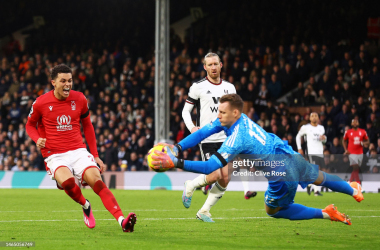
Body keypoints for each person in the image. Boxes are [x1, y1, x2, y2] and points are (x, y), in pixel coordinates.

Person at [152, 94, 363, 225]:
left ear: (234, 113)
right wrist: (178, 147)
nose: (218, 116)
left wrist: (176, 163)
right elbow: (201, 133)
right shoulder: (236, 118)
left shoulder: (237, 138)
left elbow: (210, 165)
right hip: (287, 153)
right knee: (320, 178)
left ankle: (326, 213)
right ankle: (353, 189)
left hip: (280, 171)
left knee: (273, 210)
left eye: (222, 112)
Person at [25, 64, 136, 232]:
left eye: (70, 80)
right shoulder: (41, 102)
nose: (68, 84)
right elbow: (30, 125)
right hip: (54, 154)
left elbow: (88, 126)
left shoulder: (80, 99)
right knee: (69, 182)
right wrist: (37, 139)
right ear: (53, 82)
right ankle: (85, 205)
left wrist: (95, 155)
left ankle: (122, 221)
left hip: (78, 151)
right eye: (63, 81)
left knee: (97, 182)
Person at [181, 52, 256, 222]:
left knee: (226, 177)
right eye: (210, 65)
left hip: (227, 138)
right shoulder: (197, 87)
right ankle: (190, 185)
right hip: (208, 138)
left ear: (221, 65)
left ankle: (204, 211)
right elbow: (186, 111)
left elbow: (236, 114)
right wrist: (192, 128)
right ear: (205, 67)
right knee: (215, 175)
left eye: (216, 64)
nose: (213, 67)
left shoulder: (230, 88)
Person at [296, 112, 327, 196]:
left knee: (319, 171)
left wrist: (324, 139)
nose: (314, 117)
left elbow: (324, 140)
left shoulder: (321, 128)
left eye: (315, 116)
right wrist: (299, 148)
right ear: (309, 118)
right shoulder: (305, 127)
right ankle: (316, 191)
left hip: (320, 152)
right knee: (315, 170)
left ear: (318, 118)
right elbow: (298, 136)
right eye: (312, 116)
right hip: (311, 152)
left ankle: (309, 184)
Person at [342, 119, 369, 185]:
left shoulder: (363, 131)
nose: (355, 123)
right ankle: (358, 184)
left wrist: (363, 143)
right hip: (351, 153)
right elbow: (344, 141)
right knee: (355, 167)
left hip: (360, 152)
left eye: (356, 122)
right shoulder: (348, 132)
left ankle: (349, 182)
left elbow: (368, 142)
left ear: (358, 123)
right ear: (351, 124)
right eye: (353, 122)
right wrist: (346, 150)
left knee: (356, 169)